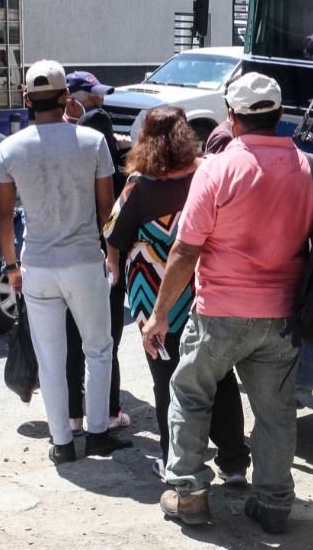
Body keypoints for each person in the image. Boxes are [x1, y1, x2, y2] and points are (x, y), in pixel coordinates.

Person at [142, 73, 313, 534]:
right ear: (280, 115)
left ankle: (190, 498)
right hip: (281, 315)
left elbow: (185, 250)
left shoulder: (216, 169)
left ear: (232, 117)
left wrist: (160, 315)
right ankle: (276, 504)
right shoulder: (311, 168)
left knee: (189, 393)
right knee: (276, 412)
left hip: (220, 312)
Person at [0, 59, 133, 463]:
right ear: (65, 98)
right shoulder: (92, 142)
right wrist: (112, 258)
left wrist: (12, 267)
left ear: (25, 99)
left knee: (51, 357)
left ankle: (62, 444)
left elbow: (5, 216)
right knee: (98, 349)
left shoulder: (9, 148)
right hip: (85, 262)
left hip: (36, 265)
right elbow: (108, 210)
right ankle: (99, 435)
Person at [103, 106, 251, 484]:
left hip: (155, 302)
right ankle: (234, 462)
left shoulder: (139, 185)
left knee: (167, 379)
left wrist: (117, 264)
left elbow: (113, 235)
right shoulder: (206, 174)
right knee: (219, 377)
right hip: (208, 293)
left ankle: (175, 461)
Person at [62, 71, 130, 435]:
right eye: (94, 97)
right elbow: (113, 218)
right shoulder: (119, 167)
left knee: (73, 341)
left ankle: (73, 418)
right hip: (107, 260)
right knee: (106, 343)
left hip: (68, 259)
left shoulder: (64, 155)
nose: (101, 100)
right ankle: (109, 414)